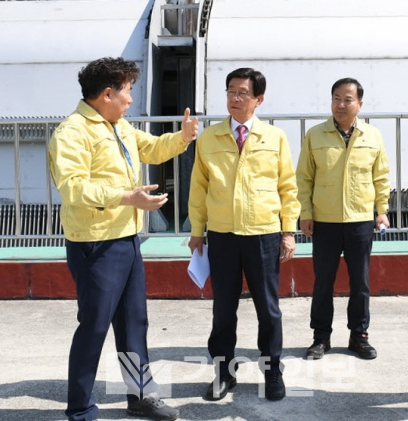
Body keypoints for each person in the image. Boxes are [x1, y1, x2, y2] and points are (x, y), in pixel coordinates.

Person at [48, 57, 199, 421]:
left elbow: (151, 148)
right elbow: (72, 187)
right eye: (127, 92)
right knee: (96, 325)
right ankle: (81, 408)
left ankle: (140, 395)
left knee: (134, 323)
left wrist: (182, 138)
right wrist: (127, 198)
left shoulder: (118, 125)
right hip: (95, 243)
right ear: (106, 94)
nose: (130, 100)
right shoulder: (73, 132)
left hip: (128, 239)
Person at [187, 68, 300, 402]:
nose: (234, 99)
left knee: (269, 309)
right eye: (230, 92)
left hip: (263, 234)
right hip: (222, 235)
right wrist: (197, 230)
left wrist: (288, 231)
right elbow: (198, 187)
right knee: (223, 310)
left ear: (258, 99)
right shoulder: (210, 137)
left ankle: (273, 372)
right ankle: (224, 374)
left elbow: (287, 187)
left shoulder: (274, 137)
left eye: (242, 93)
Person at [296, 77, 390, 361]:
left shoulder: (372, 136)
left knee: (359, 282)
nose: (341, 104)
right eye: (336, 98)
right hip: (324, 221)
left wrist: (381, 210)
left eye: (348, 99)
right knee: (323, 281)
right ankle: (320, 337)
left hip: (360, 220)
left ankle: (358, 336)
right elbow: (304, 178)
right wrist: (305, 214)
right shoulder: (315, 134)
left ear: (360, 104)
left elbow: (381, 177)